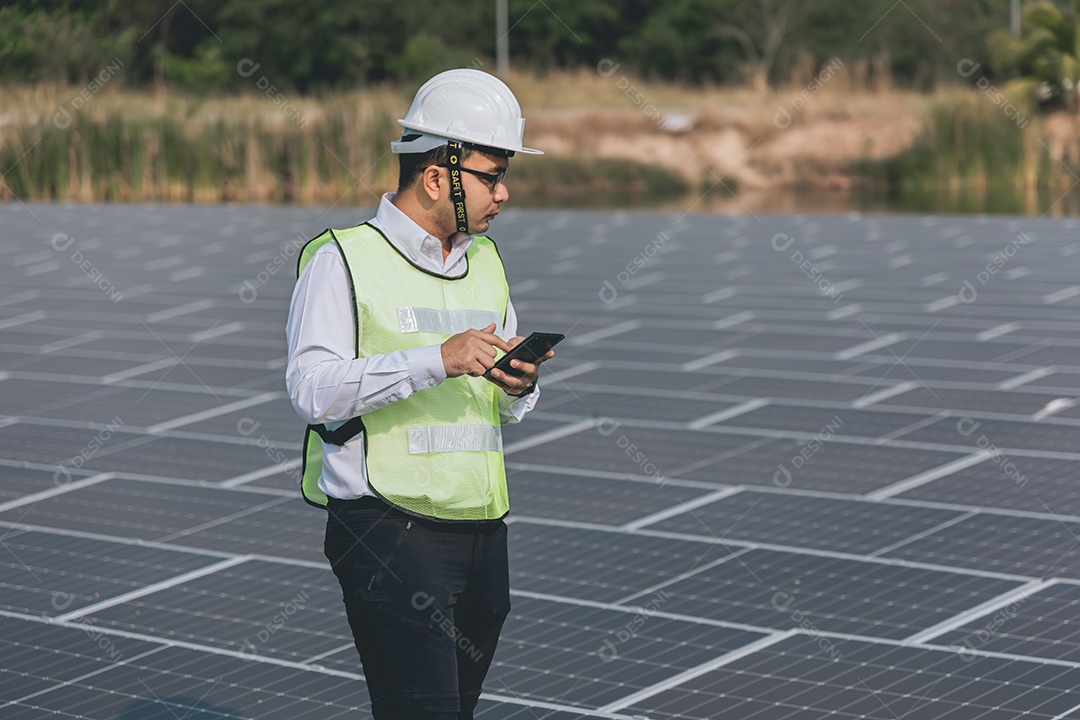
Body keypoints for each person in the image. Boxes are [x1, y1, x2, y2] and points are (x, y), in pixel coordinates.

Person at [285, 68, 553, 720]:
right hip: (387, 533)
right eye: (492, 175)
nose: (505, 192)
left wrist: (521, 387)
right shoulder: (342, 259)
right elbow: (311, 392)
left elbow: (504, 406)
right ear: (437, 176)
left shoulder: (486, 262)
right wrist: (435, 360)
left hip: (482, 535)